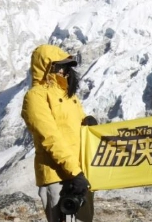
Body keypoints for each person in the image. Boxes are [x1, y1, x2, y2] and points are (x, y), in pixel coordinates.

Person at [22, 44, 96, 222]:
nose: (64, 70)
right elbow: (50, 138)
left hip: (79, 174)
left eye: (66, 66)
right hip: (58, 177)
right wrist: (74, 173)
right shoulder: (35, 97)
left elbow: (73, 133)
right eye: (59, 66)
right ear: (45, 66)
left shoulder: (70, 97)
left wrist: (87, 124)